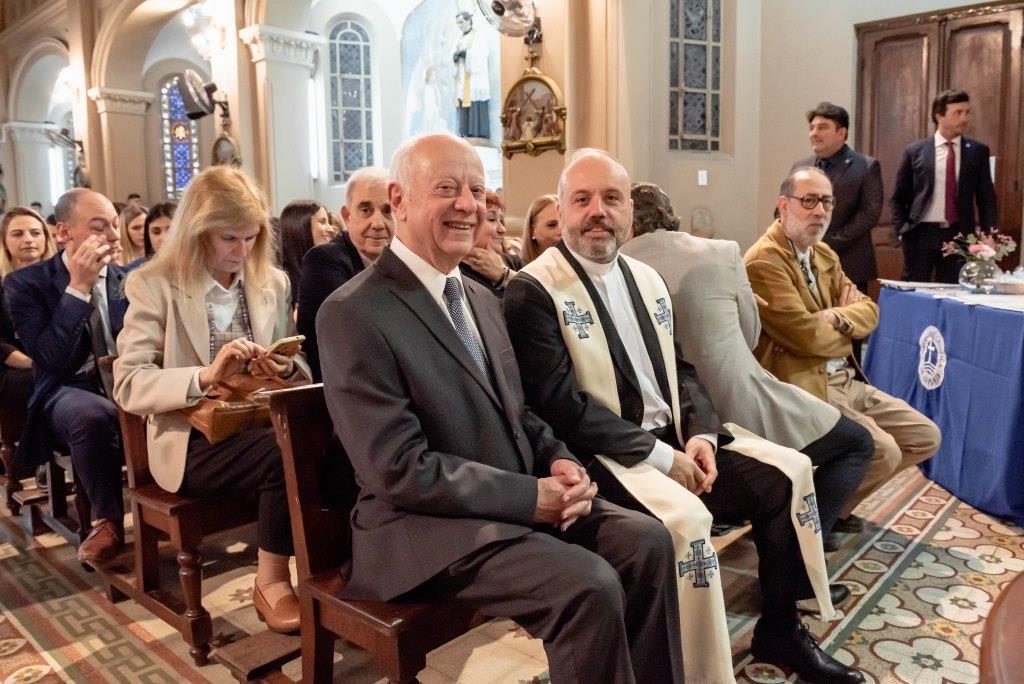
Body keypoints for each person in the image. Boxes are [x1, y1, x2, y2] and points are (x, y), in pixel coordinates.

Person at [317, 133, 683, 684]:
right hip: (424, 529)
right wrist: (529, 497)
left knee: (649, 543)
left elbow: (520, 412)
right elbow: (397, 468)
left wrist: (561, 461)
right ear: (399, 200)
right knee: (588, 585)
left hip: (502, 505)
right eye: (447, 189)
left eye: (477, 190)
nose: (468, 204)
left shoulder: (482, 299)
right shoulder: (354, 311)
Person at [504, 149, 863, 684]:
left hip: (671, 443)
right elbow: (560, 406)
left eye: (611, 198)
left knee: (787, 475)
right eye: (581, 200)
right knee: (688, 523)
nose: (597, 211)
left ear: (630, 212)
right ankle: (685, 668)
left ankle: (781, 630)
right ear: (562, 210)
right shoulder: (533, 290)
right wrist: (662, 457)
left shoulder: (646, 278)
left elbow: (682, 371)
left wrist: (701, 436)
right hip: (601, 458)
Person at [621, 182, 873, 551]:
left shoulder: (612, 267)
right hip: (736, 409)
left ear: (628, 223)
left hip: (660, 424)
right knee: (857, 443)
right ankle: (800, 550)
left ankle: (768, 528)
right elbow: (750, 337)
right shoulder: (722, 252)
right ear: (670, 216)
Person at [113, 166, 310, 634]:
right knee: (284, 452)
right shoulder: (154, 283)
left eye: (251, 238)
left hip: (255, 418)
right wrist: (206, 374)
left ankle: (326, 565)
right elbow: (129, 383)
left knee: (331, 437)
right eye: (229, 239)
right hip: (191, 439)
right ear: (197, 232)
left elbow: (295, 360)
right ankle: (271, 580)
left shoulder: (271, 281)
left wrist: (282, 366)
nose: (242, 251)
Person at [745, 167, 942, 525]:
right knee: (883, 450)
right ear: (784, 205)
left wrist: (835, 316)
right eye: (809, 201)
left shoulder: (824, 255)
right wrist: (844, 327)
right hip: (804, 383)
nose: (820, 211)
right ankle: (803, 523)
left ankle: (830, 508)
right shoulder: (764, 261)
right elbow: (805, 335)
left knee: (925, 437)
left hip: (845, 378)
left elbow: (870, 311)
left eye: (827, 202)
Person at [5, 188, 134, 562]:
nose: (113, 236)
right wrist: (78, 287)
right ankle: (107, 520)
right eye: (99, 227)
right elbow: (48, 359)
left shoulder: (130, 278)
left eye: (115, 225)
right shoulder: (26, 283)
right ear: (63, 232)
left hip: (129, 377)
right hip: (67, 387)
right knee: (92, 414)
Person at [297, 167, 394, 382]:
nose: (378, 224)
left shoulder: (402, 261)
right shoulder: (323, 261)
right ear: (347, 216)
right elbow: (356, 339)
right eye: (366, 210)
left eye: (388, 211)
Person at [891, 89, 997, 282]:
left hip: (959, 235)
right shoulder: (914, 151)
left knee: (955, 290)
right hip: (920, 234)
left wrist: (989, 233)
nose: (964, 118)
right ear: (939, 115)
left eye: (967, 112)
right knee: (915, 289)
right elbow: (899, 197)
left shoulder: (977, 151)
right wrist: (902, 230)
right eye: (958, 113)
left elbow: (986, 198)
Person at [792, 103, 882, 297]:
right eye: (811, 128)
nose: (814, 133)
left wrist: (824, 243)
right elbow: (784, 209)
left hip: (848, 264)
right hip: (802, 264)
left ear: (842, 133)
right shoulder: (801, 167)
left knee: (848, 316)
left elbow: (869, 214)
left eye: (822, 127)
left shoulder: (865, 166)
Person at [0, 207, 56, 411]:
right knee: (38, 380)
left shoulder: (63, 280)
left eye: (35, 233)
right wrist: (37, 364)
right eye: (17, 234)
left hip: (57, 360)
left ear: (46, 239)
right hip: (14, 367)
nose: (28, 239)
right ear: (4, 242)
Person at [459, 190, 520, 298]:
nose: (503, 229)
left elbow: (546, 293)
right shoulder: (455, 276)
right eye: (492, 219)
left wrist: (504, 275)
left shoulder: (513, 262)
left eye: (501, 220)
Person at [278, 200, 332, 308]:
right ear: (300, 227)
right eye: (322, 222)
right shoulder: (281, 281)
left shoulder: (325, 270)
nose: (331, 229)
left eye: (328, 222)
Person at [452, 11, 491, 140]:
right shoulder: (459, 39)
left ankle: (477, 135)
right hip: (462, 78)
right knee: (463, 102)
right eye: (457, 23)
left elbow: (481, 55)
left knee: (474, 103)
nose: (459, 25)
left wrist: (467, 54)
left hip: (475, 79)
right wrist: (455, 56)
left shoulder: (478, 36)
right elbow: (454, 55)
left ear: (469, 20)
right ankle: (463, 135)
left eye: (461, 22)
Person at [522, 193, 561, 264]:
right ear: (532, 230)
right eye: (552, 225)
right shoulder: (518, 267)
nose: (561, 232)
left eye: (565, 224)